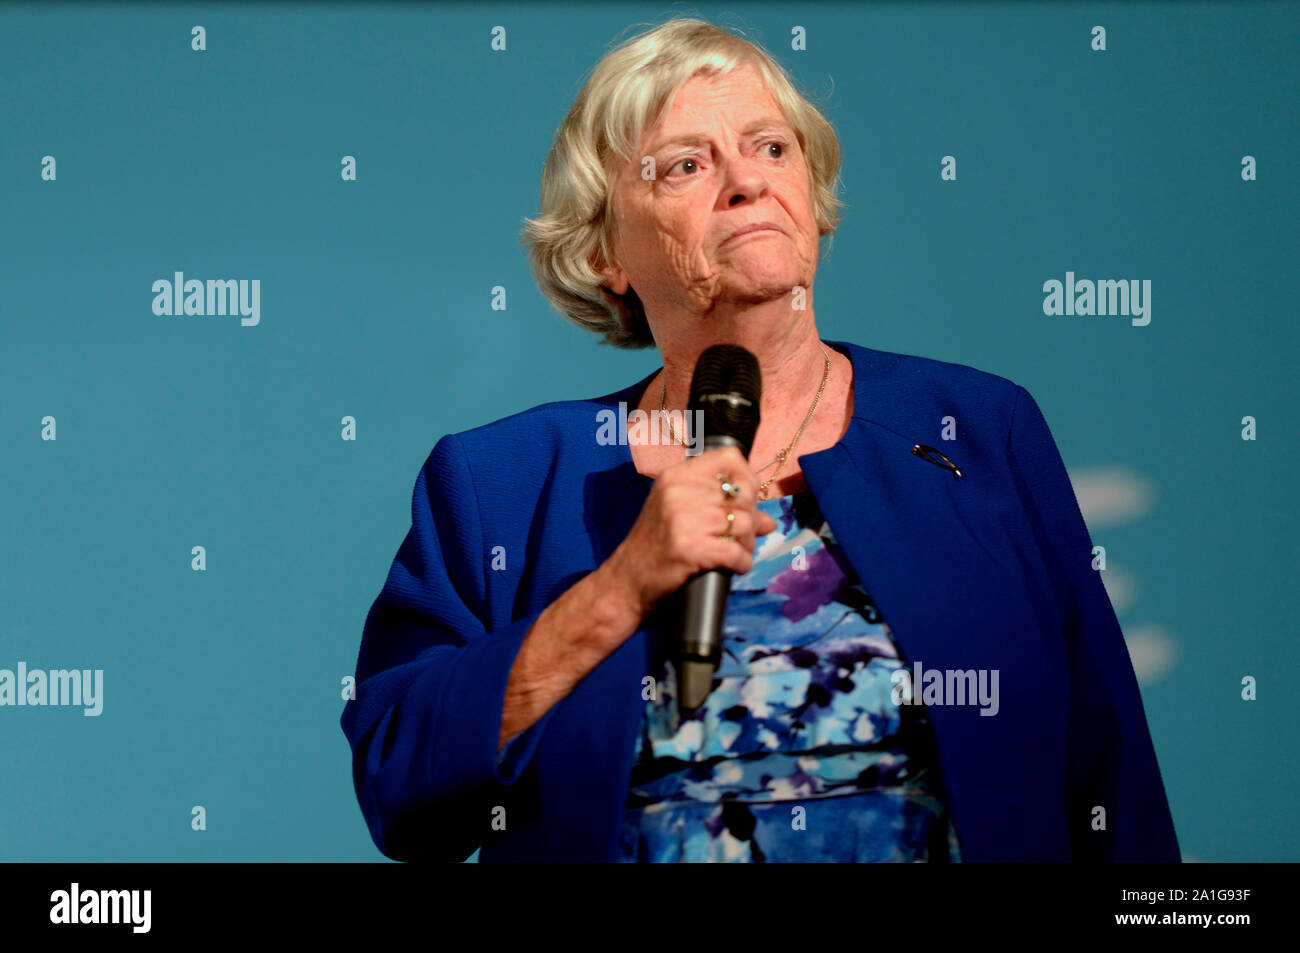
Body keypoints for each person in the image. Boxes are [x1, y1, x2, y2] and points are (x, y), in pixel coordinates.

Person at [340, 17, 1180, 863]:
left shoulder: (975, 428)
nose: (746, 180)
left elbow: (1112, 781)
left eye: (771, 148)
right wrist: (619, 590)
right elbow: (397, 779)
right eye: (685, 165)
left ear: (811, 195)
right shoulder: (502, 482)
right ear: (605, 254)